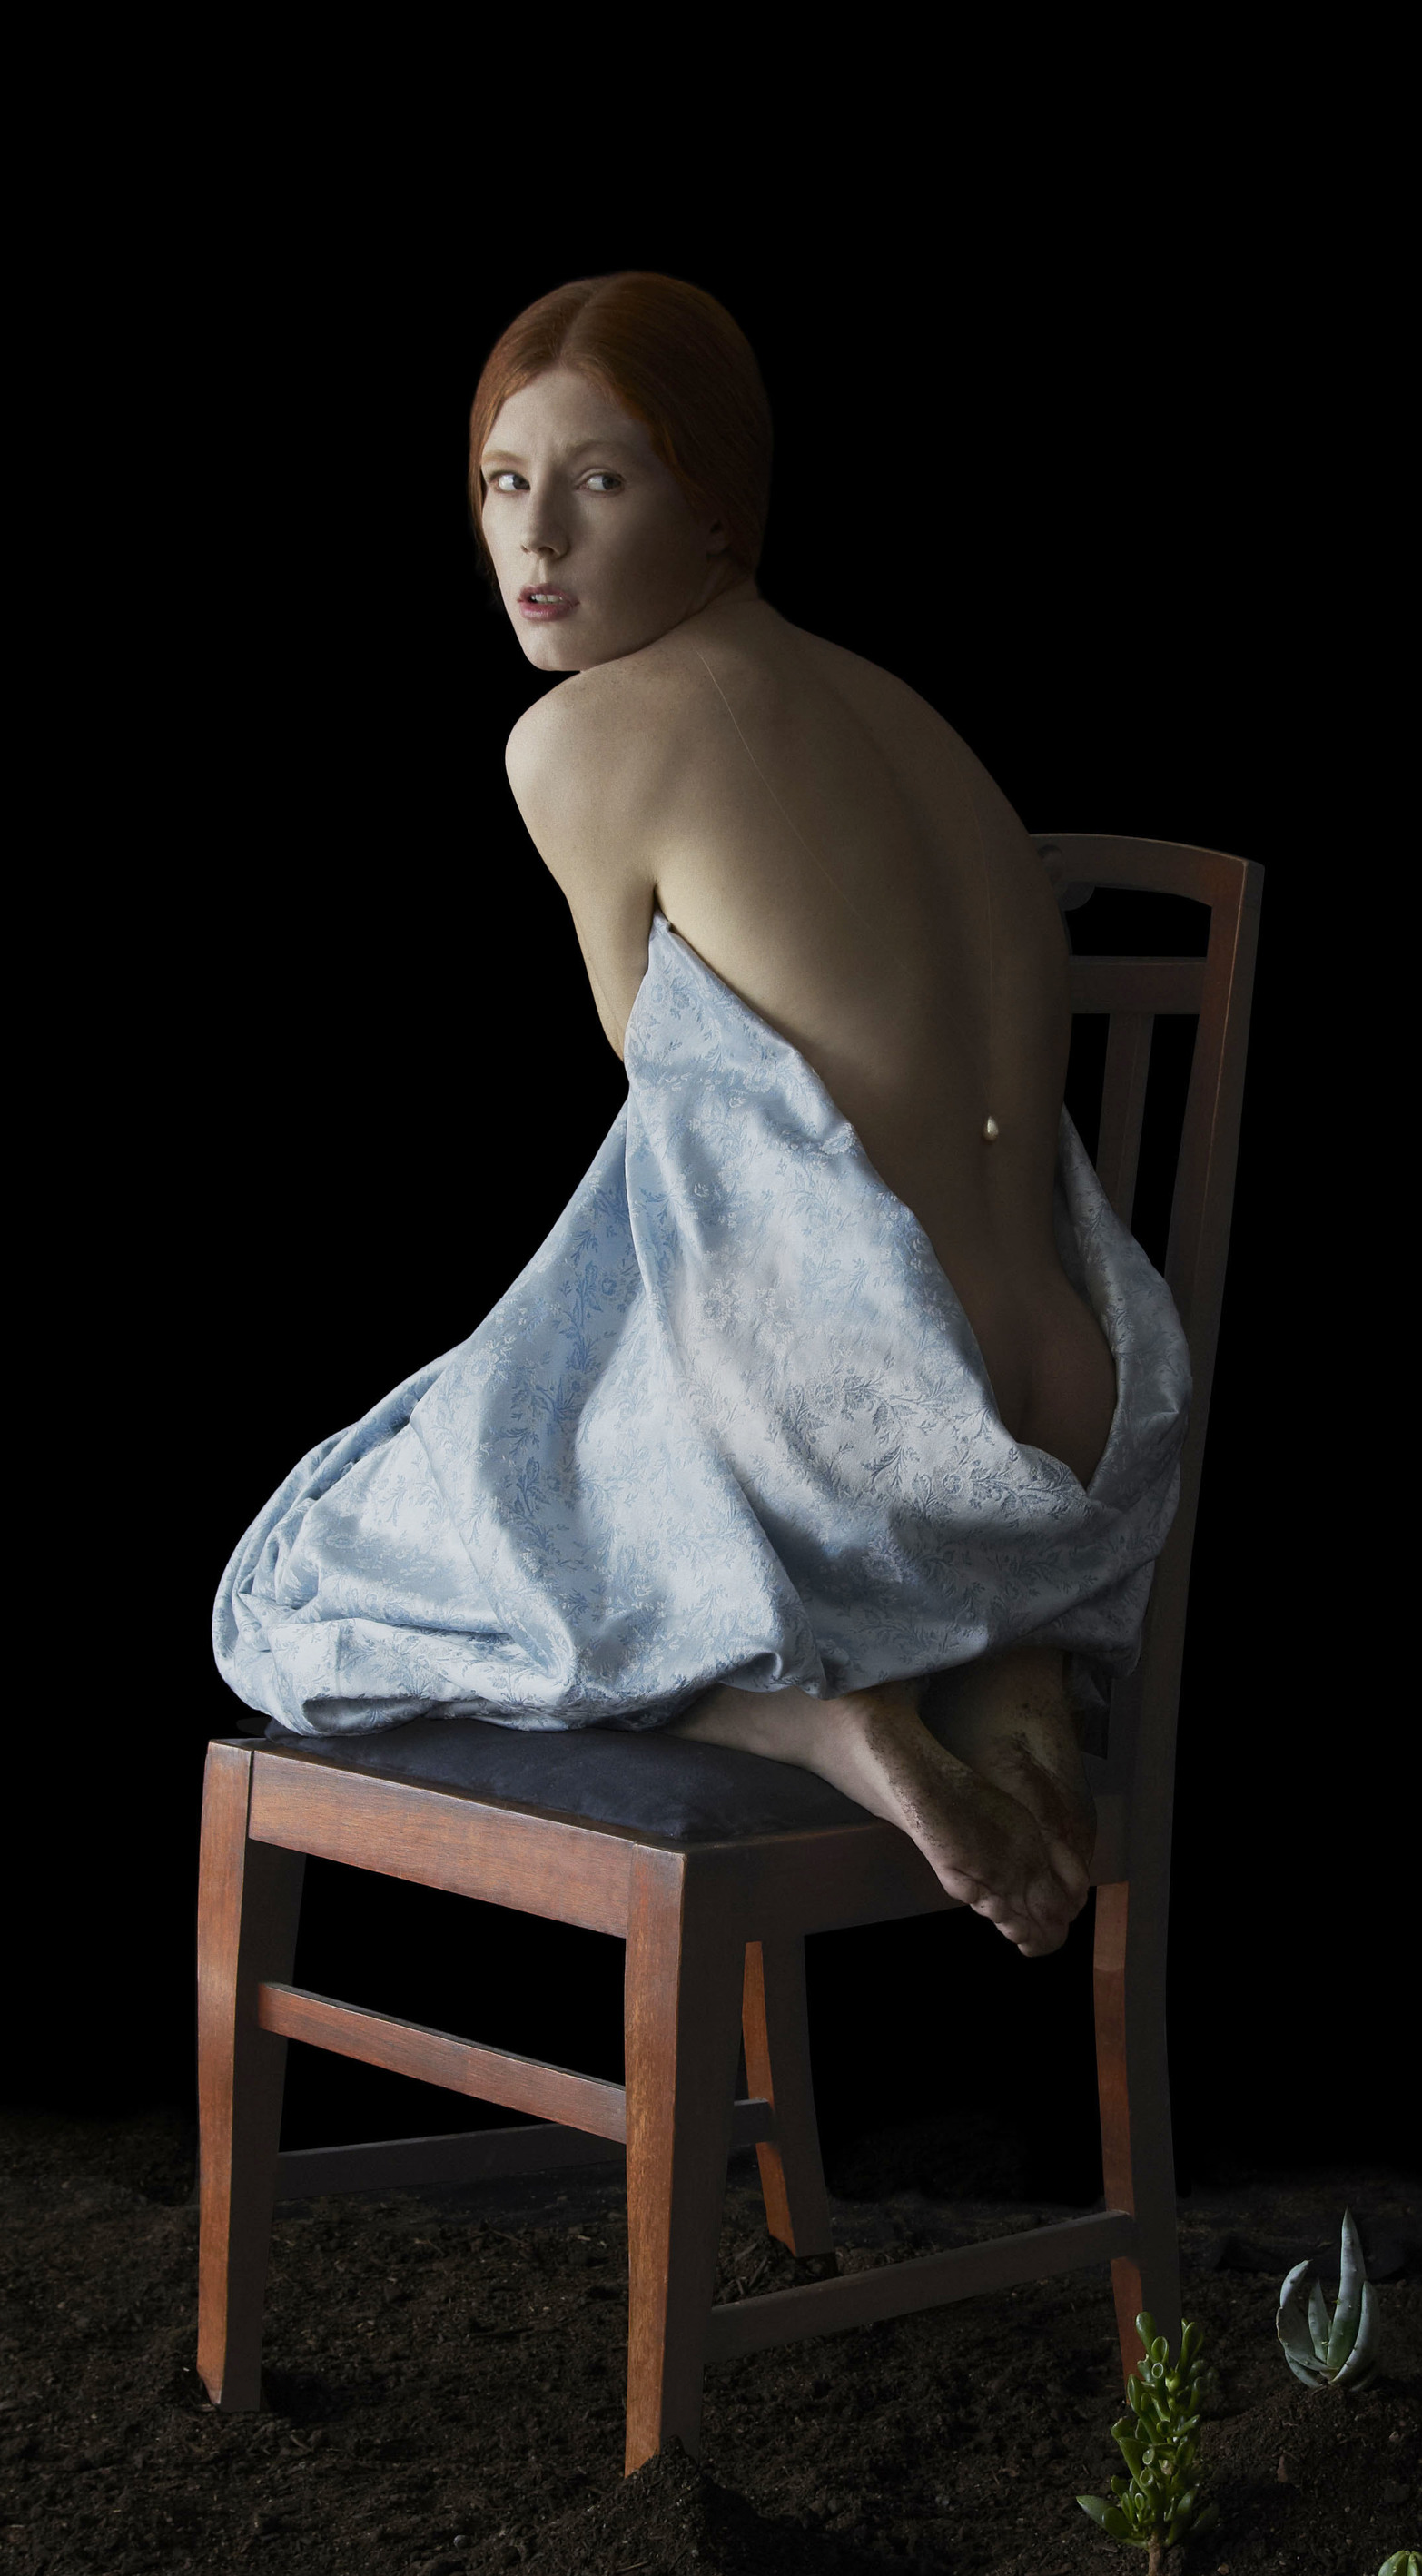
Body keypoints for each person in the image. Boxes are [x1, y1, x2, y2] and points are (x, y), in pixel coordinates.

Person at [214, 273, 1190, 1959]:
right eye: (504, 482)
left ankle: (815, 1709)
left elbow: (669, 1092)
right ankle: (992, 1650)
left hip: (868, 1425)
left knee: (300, 1585)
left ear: (720, 502)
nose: (537, 540)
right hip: (1077, 1425)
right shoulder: (921, 725)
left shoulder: (577, 739)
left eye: (602, 480)